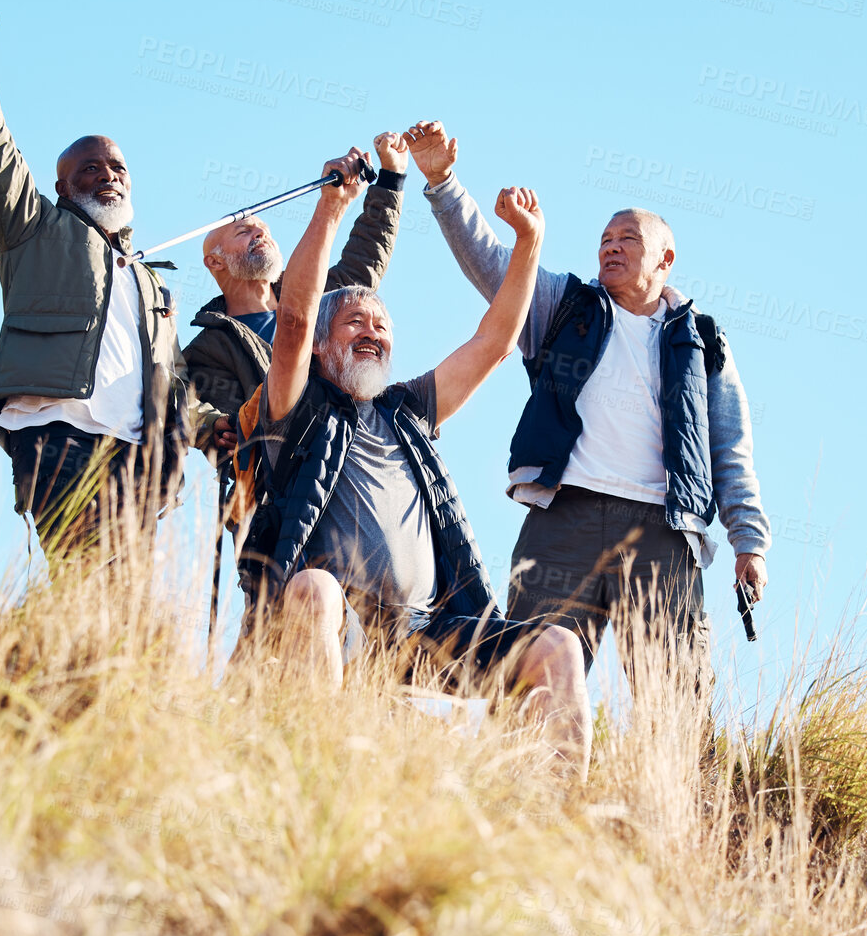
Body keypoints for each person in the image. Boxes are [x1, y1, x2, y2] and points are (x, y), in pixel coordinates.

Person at [235, 154, 590, 775]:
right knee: (316, 588)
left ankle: (555, 814)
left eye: (383, 324)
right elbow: (291, 319)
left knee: (559, 646)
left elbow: (495, 343)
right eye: (354, 323)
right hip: (338, 620)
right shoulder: (296, 408)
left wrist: (528, 241)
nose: (373, 332)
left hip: (431, 631)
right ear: (322, 347)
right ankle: (323, 782)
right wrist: (331, 207)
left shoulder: (410, 411)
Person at [403, 120, 771, 691]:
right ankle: (528, 781)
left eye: (628, 239)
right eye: (604, 238)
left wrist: (749, 542)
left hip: (664, 532)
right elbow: (493, 264)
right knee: (531, 683)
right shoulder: (565, 307)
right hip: (563, 521)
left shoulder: (700, 341)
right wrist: (443, 181)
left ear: (665, 259)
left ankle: (665, 784)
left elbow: (729, 448)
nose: (611, 246)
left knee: (675, 699)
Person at [0, 3, 210, 560]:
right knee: (86, 574)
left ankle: (46, 648)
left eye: (116, 167)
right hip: (55, 430)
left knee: (123, 608)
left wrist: (215, 430)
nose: (108, 174)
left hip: (135, 453)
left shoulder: (150, 284)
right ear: (63, 187)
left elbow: (174, 379)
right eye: (90, 168)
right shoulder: (36, 228)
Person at [182, 132, 410, 424]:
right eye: (244, 231)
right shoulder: (208, 349)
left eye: (263, 229)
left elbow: (367, 255)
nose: (260, 233)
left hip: (357, 446)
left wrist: (391, 177)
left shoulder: (319, 295)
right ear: (215, 261)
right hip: (294, 464)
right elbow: (234, 435)